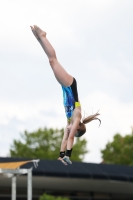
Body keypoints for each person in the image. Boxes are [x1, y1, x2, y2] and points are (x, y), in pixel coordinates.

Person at [30, 25, 101, 165]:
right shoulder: (76, 117)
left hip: (64, 87)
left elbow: (64, 138)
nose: (70, 131)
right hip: (70, 85)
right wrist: (68, 155)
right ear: (78, 127)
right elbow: (70, 139)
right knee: (53, 60)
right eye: (73, 131)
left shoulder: (68, 122)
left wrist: (61, 155)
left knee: (52, 62)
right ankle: (42, 36)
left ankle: (40, 39)